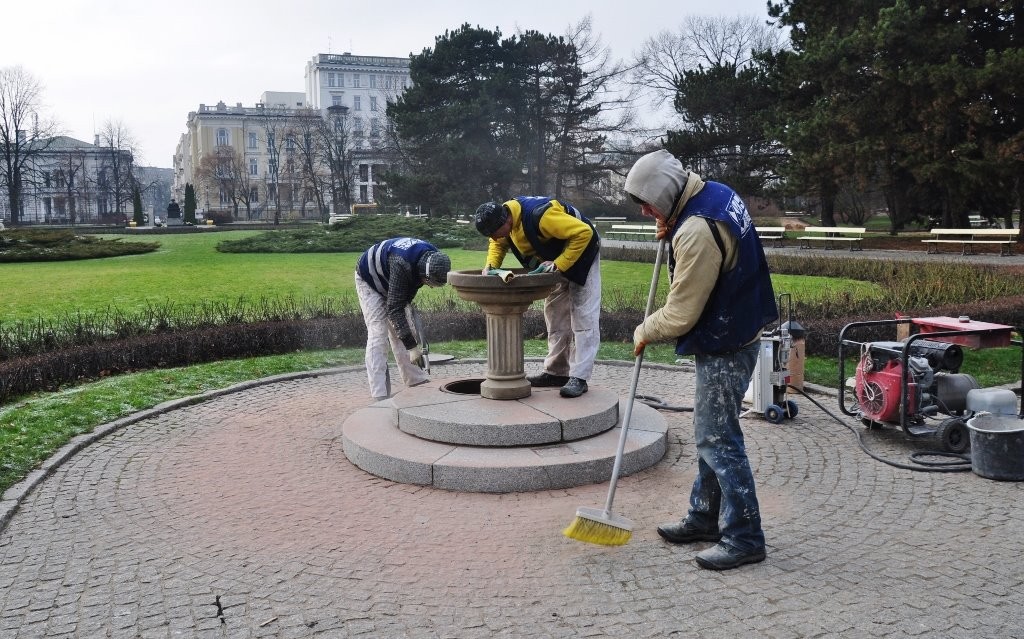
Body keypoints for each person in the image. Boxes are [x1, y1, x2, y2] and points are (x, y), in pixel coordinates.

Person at [624, 149, 779, 571]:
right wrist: (670, 225)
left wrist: (644, 330)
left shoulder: (696, 229)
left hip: (726, 341)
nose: (642, 210)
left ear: (665, 191)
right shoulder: (714, 193)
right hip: (740, 322)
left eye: (646, 201)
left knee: (717, 437)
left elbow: (681, 314)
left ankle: (745, 537)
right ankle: (704, 517)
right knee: (712, 431)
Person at [474, 197, 601, 398]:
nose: (495, 238)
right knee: (555, 316)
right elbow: (497, 244)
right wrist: (491, 265)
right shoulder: (505, 218)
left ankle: (580, 377)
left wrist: (559, 263)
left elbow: (583, 233)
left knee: (583, 317)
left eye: (494, 233)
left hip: (584, 252)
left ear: (505, 222)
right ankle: (556, 372)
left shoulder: (541, 216)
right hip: (555, 261)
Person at [355, 237, 451, 401]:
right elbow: (394, 308)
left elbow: (402, 298)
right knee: (378, 334)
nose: (429, 286)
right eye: (430, 283)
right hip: (370, 280)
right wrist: (412, 348)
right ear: (425, 274)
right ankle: (379, 393)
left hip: (393, 277)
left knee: (405, 331)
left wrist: (409, 340)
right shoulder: (403, 264)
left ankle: (416, 381)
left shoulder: (434, 259)